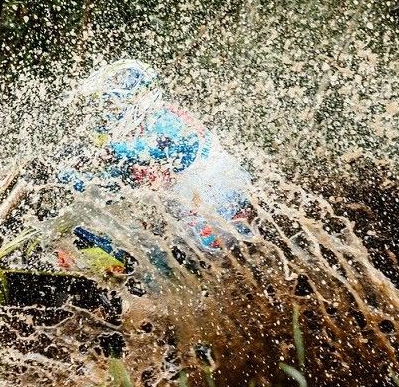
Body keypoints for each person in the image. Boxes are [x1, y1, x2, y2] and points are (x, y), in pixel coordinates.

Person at [57, 59, 254, 271]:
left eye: (111, 105)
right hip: (212, 232)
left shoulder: (164, 125)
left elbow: (174, 148)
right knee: (119, 227)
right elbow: (110, 183)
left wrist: (104, 155)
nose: (106, 115)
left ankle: (116, 279)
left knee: (120, 243)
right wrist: (67, 176)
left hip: (215, 232)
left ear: (133, 100)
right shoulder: (150, 127)